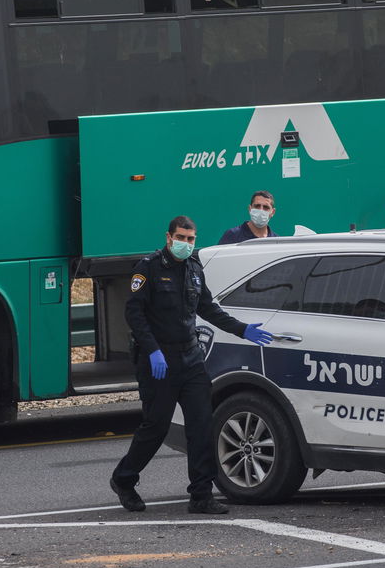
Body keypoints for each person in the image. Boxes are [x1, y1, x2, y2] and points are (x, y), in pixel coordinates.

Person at [111, 216, 274, 514]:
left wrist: (242, 329)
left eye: (191, 239)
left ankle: (201, 495)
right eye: (181, 238)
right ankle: (124, 479)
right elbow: (135, 314)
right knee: (156, 426)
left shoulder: (194, 270)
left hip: (190, 358)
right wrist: (152, 351)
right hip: (158, 362)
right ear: (168, 237)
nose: (186, 244)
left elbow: (208, 308)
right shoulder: (148, 269)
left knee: (201, 425)